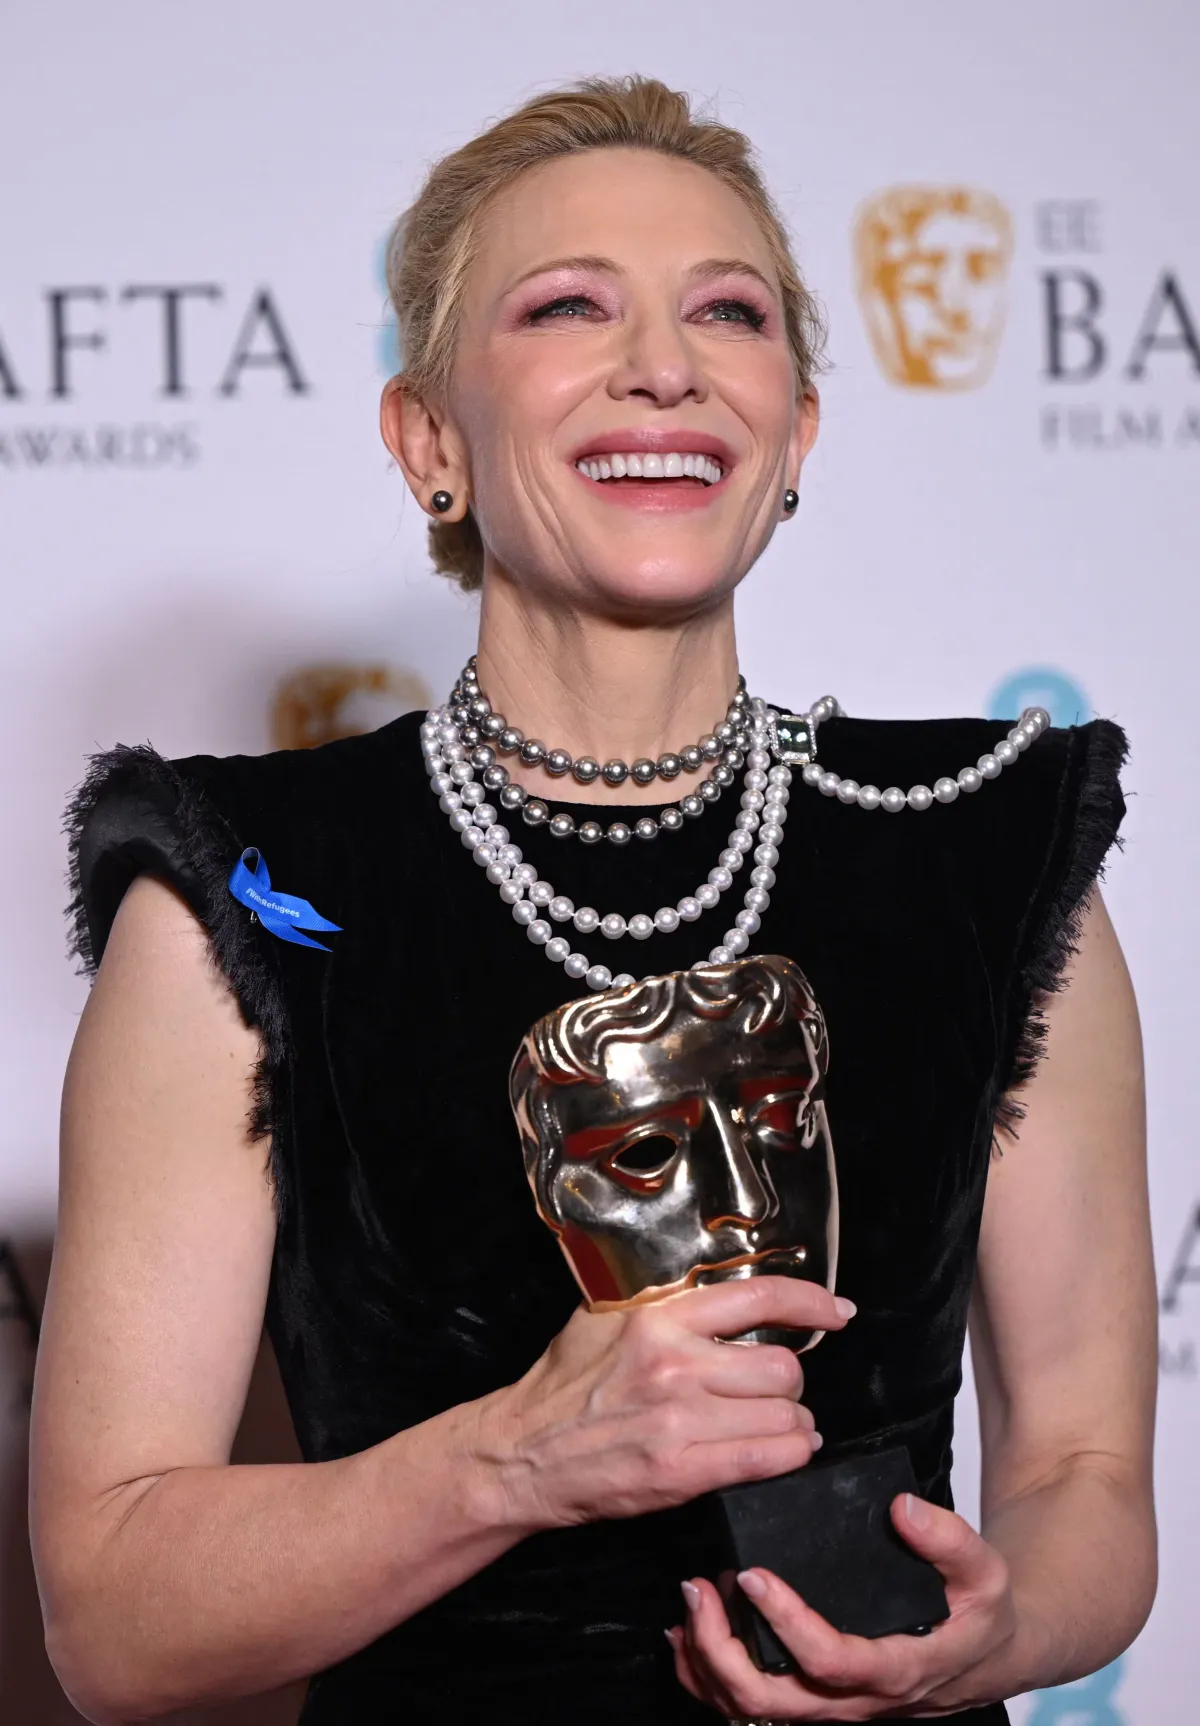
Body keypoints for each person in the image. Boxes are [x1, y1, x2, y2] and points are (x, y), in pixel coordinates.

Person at [31, 75, 1156, 1726]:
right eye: (568, 306)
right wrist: (514, 1457)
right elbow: (114, 1619)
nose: (664, 365)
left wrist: (1001, 1630)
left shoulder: (984, 840)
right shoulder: (256, 891)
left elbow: (1084, 1475)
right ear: (429, 440)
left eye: (730, 311)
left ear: (796, 433)